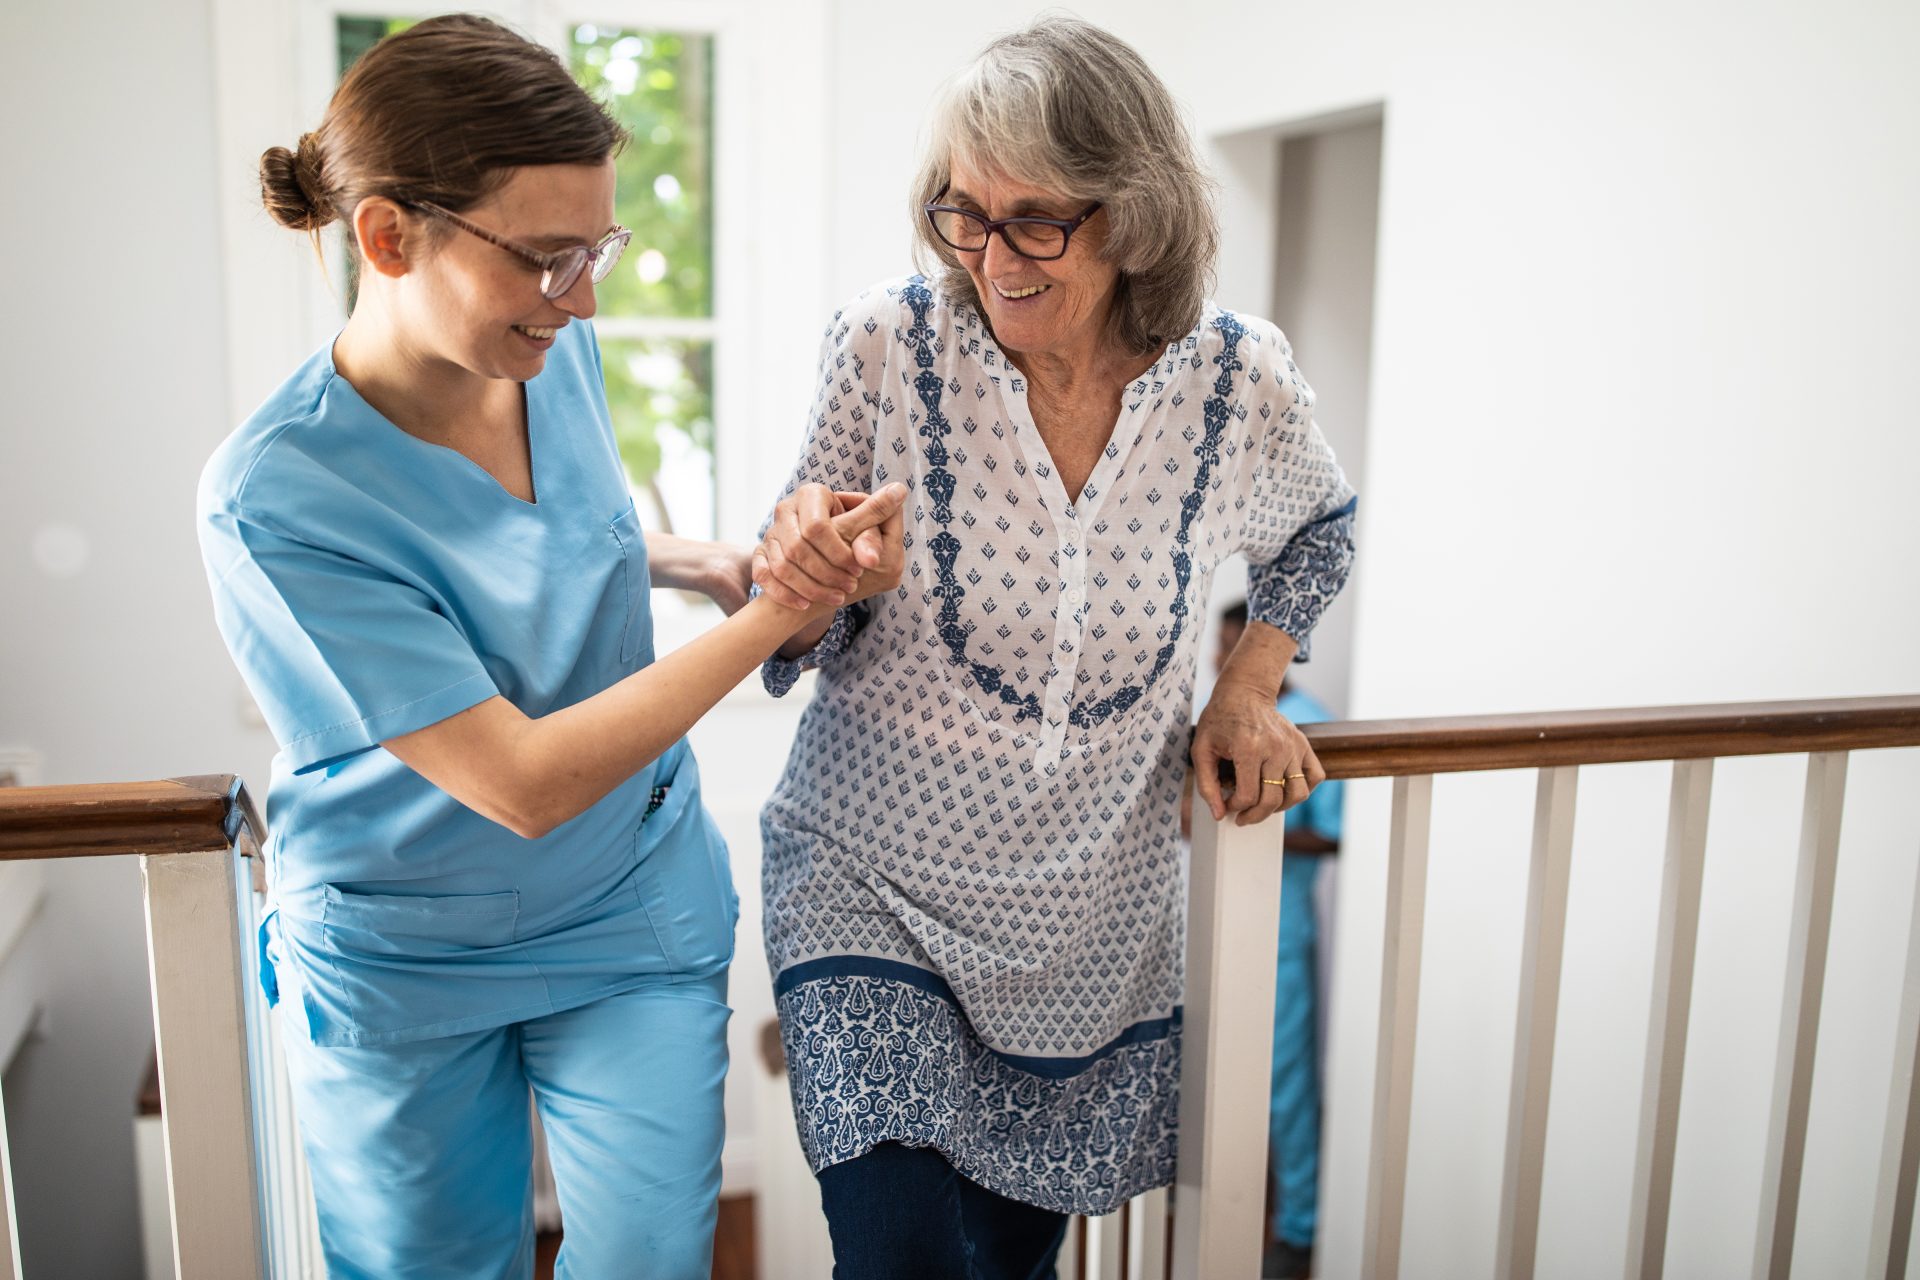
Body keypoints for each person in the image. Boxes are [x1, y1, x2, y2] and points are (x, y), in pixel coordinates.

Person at [195, 17, 904, 1279]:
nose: (584, 297)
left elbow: (556, 544)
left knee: (648, 1256)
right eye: (546, 257)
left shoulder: (541, 350)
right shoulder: (274, 495)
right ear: (386, 235)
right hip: (405, 944)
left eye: (597, 248)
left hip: (626, 895)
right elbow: (517, 777)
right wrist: (776, 614)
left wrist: (709, 563)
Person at [747, 17, 1358, 1277]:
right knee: (901, 1257)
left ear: (1135, 216)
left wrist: (1248, 688)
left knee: (1007, 1262)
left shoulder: (1237, 381)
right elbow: (801, 605)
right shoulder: (887, 343)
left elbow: (1321, 528)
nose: (989, 255)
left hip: (1090, 922)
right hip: (867, 875)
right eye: (960, 213)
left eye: (1035, 220)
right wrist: (806, 578)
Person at [1212, 601, 1344, 1280]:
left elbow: (1336, 833)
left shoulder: (1312, 722)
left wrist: (1258, 826)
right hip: (1214, 926)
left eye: (1229, 648)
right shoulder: (1217, 720)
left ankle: (1299, 1229)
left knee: (1287, 1086)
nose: (1217, 661)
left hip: (1283, 930)